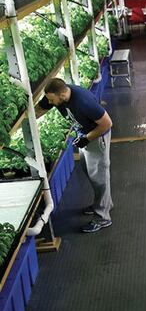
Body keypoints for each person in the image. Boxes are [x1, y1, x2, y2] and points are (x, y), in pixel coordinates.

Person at [36, 78, 114, 233]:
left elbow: (107, 123)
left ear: (62, 95)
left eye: (52, 100)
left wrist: (87, 138)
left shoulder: (83, 102)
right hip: (84, 135)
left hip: (96, 137)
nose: (50, 103)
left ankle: (103, 217)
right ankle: (103, 204)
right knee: (89, 172)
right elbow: (39, 109)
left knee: (99, 176)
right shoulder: (56, 95)